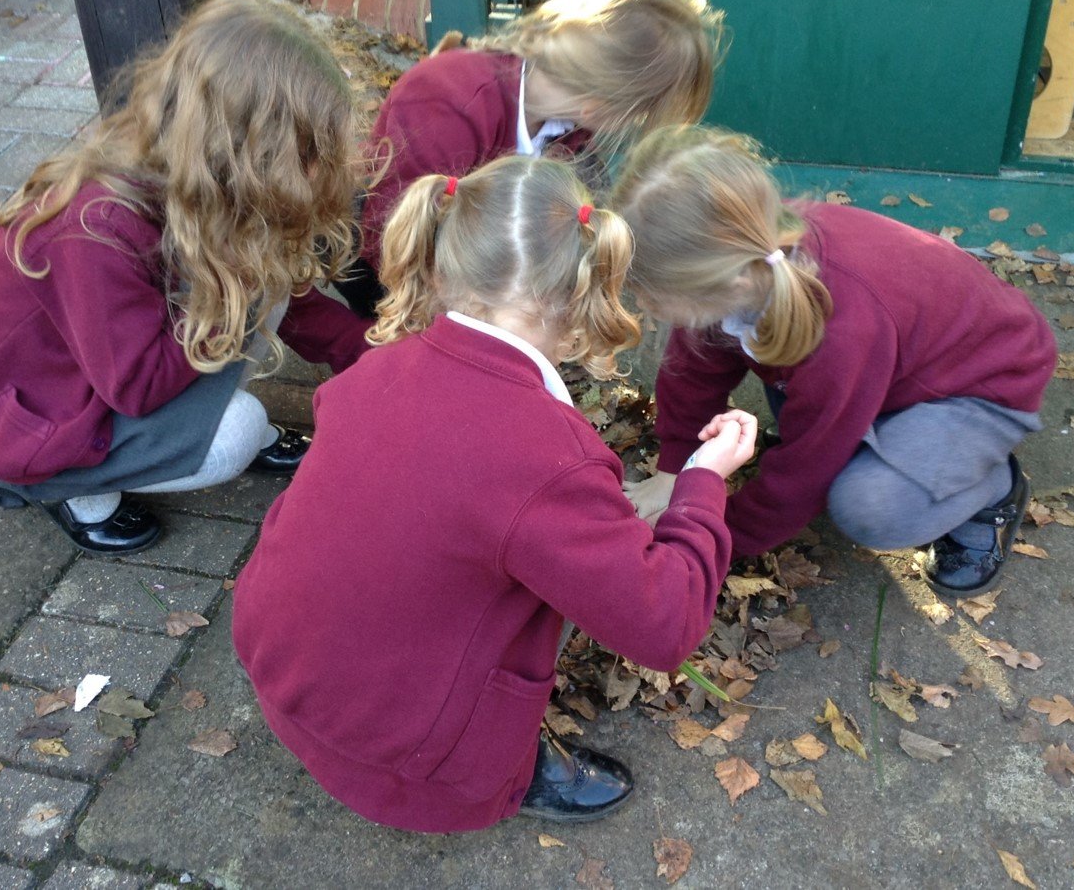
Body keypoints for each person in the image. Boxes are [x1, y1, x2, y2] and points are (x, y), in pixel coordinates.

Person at [232, 157, 758, 833]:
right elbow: (665, 625)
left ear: (443, 262)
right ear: (581, 293)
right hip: (410, 769)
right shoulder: (547, 457)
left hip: (281, 675)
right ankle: (513, 774)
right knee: (553, 560)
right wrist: (702, 480)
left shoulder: (375, 367)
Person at [0, 0, 373, 556]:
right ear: (246, 153)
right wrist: (235, 288)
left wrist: (376, 356)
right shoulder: (94, 230)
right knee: (236, 431)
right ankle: (77, 491)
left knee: (261, 275)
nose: (317, 172)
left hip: (99, 370)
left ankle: (184, 428)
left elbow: (291, 297)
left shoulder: (193, 183)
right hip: (41, 424)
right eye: (308, 154)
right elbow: (138, 386)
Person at [612, 127, 1058, 596]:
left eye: (649, 295)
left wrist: (706, 541)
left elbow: (804, 475)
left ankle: (992, 490)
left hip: (978, 386)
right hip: (887, 369)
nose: (642, 305)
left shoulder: (839, 330)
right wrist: (674, 471)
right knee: (818, 424)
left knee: (870, 506)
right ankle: (879, 439)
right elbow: (693, 371)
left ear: (729, 283)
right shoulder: (735, 248)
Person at [333, 0, 725, 316]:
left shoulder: (568, 130)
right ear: (599, 106)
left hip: (480, 280)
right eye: (638, 116)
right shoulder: (449, 104)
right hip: (395, 284)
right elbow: (395, 246)